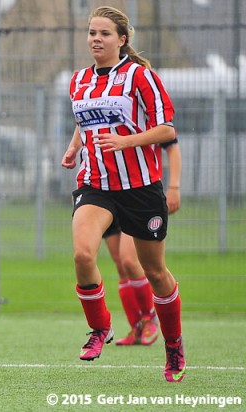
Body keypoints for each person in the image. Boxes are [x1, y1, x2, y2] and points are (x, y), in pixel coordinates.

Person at [61, 6, 186, 382]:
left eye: (104, 33)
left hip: (141, 188)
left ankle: (173, 344)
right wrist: (73, 145)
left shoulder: (140, 76)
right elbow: (86, 122)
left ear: (122, 39)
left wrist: (128, 141)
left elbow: (166, 130)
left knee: (154, 271)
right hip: (95, 184)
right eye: (91, 32)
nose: (95, 39)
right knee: (83, 254)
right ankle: (100, 329)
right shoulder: (79, 80)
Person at [104, 142, 181, 346]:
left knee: (129, 260)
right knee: (121, 266)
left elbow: (172, 146)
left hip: (136, 194)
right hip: (104, 191)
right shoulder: (97, 112)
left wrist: (174, 186)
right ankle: (137, 328)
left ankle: (150, 318)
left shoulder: (146, 115)